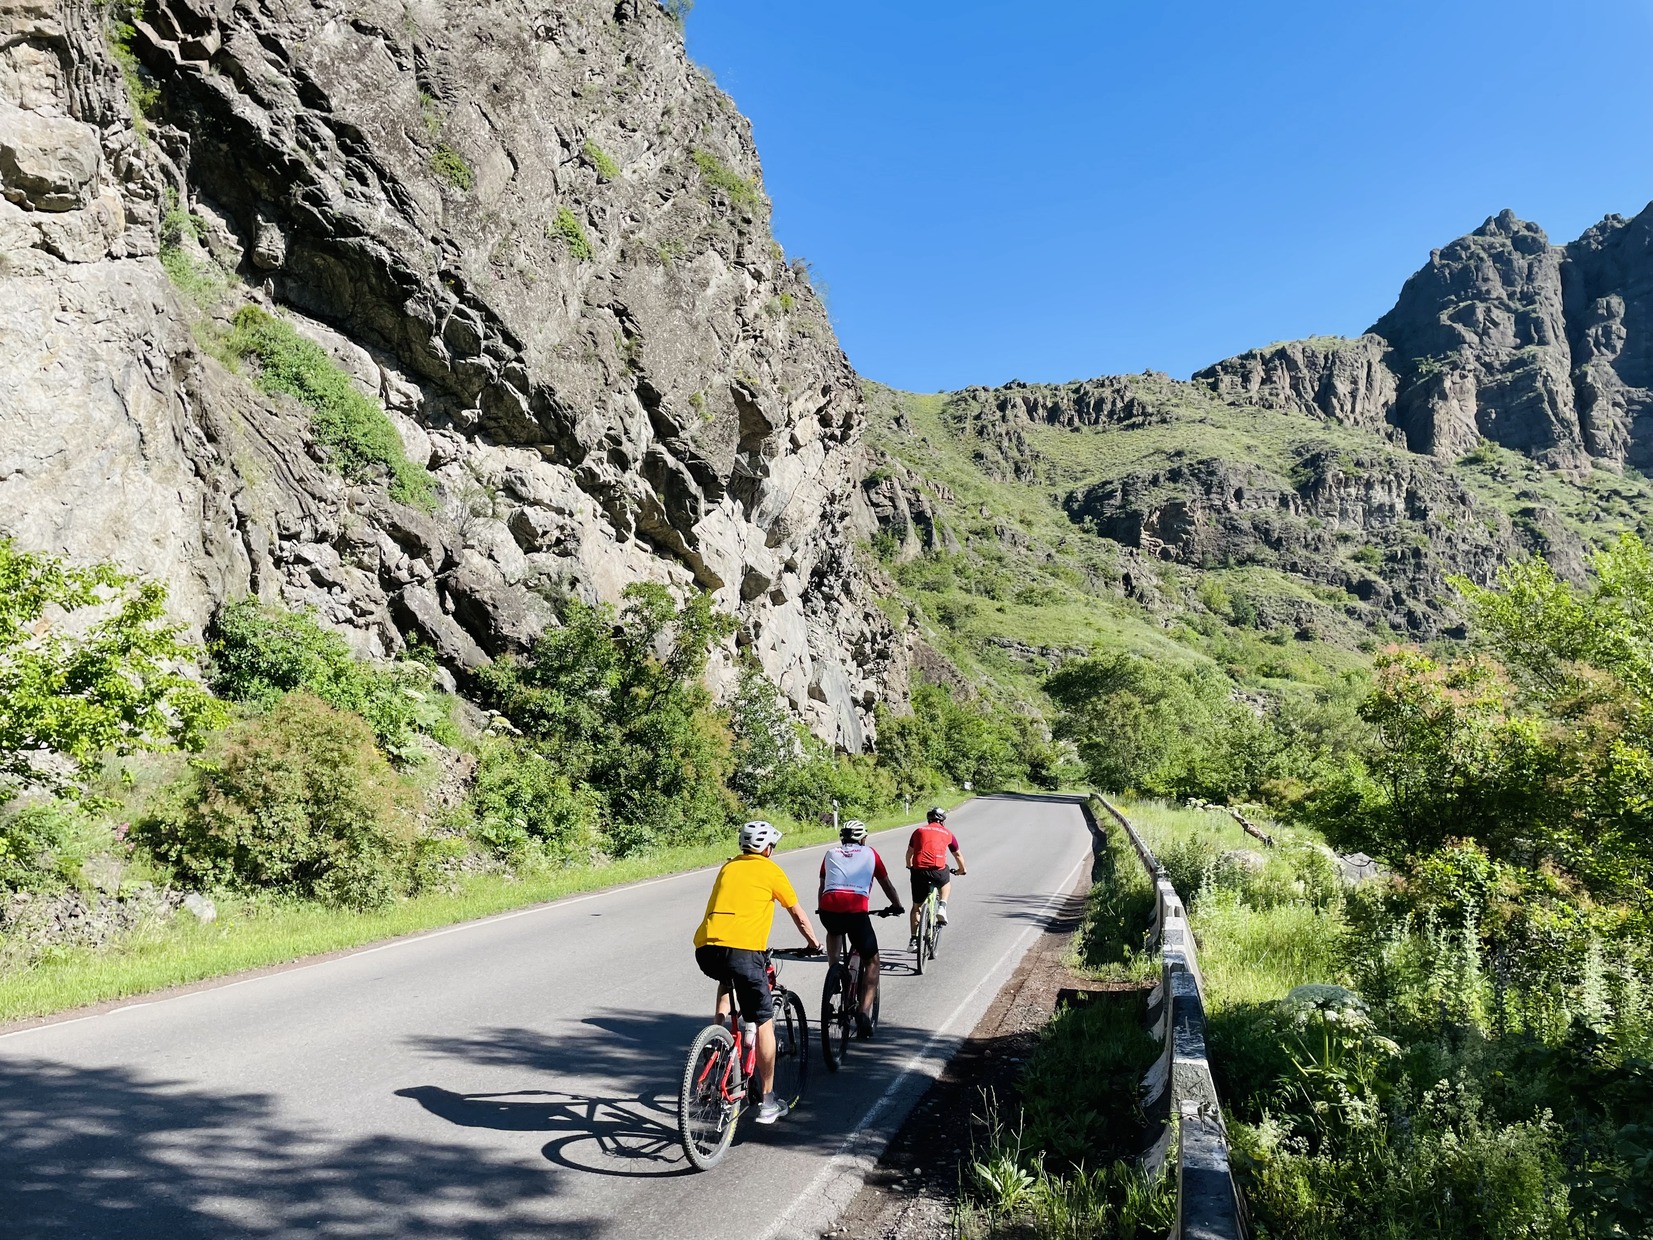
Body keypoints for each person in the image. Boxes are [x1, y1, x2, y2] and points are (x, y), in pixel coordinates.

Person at [693, 819, 823, 1124]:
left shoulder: (728, 867)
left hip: (707, 950)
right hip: (744, 953)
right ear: (767, 848)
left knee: (727, 980)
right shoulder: (770, 870)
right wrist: (813, 943)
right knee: (764, 1021)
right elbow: (797, 913)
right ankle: (767, 1101)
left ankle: (719, 1036)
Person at [817, 819, 904, 1039]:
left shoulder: (829, 853)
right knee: (872, 962)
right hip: (856, 913)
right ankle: (864, 1013)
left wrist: (821, 908)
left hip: (829, 909)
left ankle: (834, 970)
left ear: (842, 838)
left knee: (834, 930)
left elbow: (823, 884)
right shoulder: (871, 854)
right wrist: (897, 905)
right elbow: (887, 884)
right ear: (863, 838)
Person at [907, 806, 966, 946]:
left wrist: (909, 866)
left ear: (928, 820)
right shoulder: (947, 833)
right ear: (943, 821)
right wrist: (961, 870)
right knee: (946, 883)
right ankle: (942, 906)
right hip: (937, 871)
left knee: (916, 907)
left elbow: (909, 853)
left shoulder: (918, 831)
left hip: (918, 871)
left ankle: (914, 940)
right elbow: (957, 854)